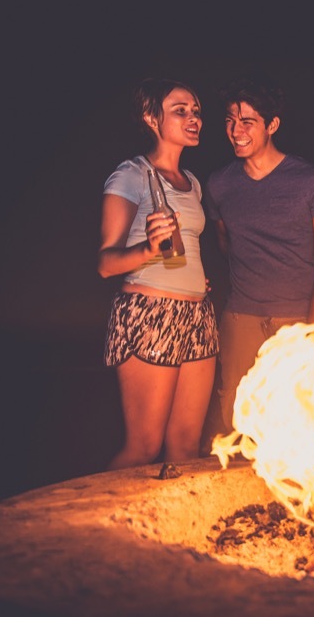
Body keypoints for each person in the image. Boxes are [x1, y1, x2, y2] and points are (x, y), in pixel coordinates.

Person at [202, 76, 314, 443]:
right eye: (230, 120)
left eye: (247, 121)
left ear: (272, 125)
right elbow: (224, 244)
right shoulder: (219, 184)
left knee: (297, 426)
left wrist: (310, 334)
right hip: (240, 319)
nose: (236, 130)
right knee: (238, 426)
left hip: (295, 319)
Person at [98, 77, 219, 469]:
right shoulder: (131, 175)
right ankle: (106, 527)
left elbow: (187, 246)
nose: (193, 118)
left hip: (197, 316)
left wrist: (195, 278)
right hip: (150, 314)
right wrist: (149, 248)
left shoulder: (193, 183)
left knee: (186, 447)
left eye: (196, 111)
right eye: (180, 111)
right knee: (144, 449)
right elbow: (106, 263)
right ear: (151, 118)